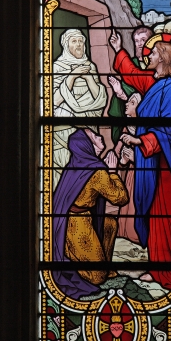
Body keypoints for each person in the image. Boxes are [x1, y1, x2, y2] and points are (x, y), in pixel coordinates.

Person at [109, 31, 171, 289]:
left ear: (162, 57)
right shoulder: (156, 84)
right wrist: (119, 51)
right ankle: (159, 268)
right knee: (152, 213)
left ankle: (170, 272)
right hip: (150, 165)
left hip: (164, 167)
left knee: (166, 215)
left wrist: (142, 141)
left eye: (151, 52)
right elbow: (131, 73)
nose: (147, 55)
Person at [52, 128, 129, 298]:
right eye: (94, 136)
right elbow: (119, 198)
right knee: (96, 278)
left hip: (69, 223)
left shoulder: (78, 165)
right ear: (88, 145)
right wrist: (113, 172)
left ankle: (103, 267)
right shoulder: (97, 172)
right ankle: (87, 269)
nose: (99, 136)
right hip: (78, 226)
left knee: (109, 223)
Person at [53, 29, 107, 186]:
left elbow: (100, 99)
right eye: (74, 41)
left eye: (81, 41)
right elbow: (53, 102)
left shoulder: (90, 66)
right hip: (62, 134)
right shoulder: (57, 67)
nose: (79, 45)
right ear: (65, 44)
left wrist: (88, 78)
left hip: (87, 131)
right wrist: (72, 76)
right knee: (62, 175)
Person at [108, 26, 152, 144]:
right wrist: (120, 94)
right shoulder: (131, 63)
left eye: (143, 40)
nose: (140, 44)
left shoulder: (157, 70)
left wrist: (122, 94)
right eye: (136, 41)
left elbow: (133, 75)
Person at [113, 92, 142, 243]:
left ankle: (135, 235)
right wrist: (123, 161)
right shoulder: (127, 129)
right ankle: (124, 232)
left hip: (143, 176)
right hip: (130, 174)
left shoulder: (146, 130)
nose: (127, 104)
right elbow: (117, 154)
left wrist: (136, 159)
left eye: (132, 102)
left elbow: (157, 158)